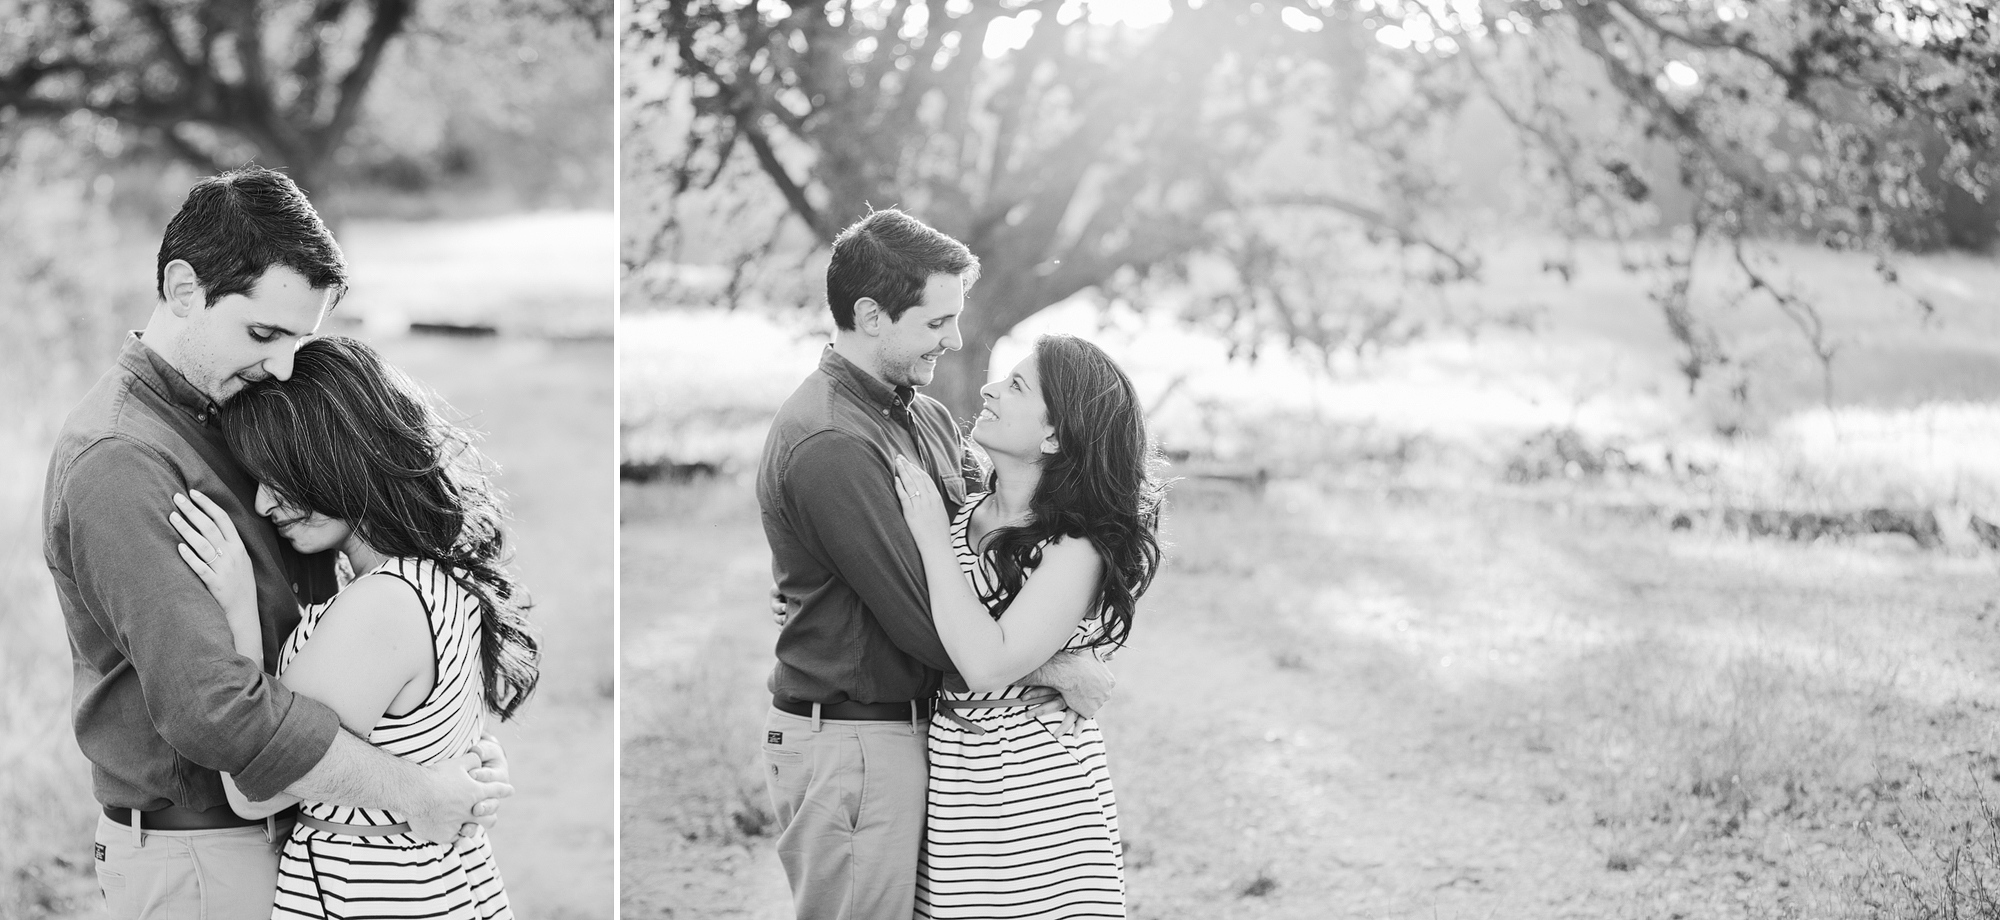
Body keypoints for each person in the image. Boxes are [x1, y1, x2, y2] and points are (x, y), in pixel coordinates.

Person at [42, 166, 509, 920]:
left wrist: (437, 749)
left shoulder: (235, 404)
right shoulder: (122, 459)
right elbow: (214, 710)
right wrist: (416, 790)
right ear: (184, 288)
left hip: (288, 835)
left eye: (302, 340)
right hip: (202, 853)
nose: (284, 364)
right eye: (265, 333)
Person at [756, 208, 1114, 920]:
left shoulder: (920, 419)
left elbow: (974, 552)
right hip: (853, 739)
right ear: (871, 315)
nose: (953, 341)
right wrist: (1049, 666)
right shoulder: (833, 439)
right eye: (934, 322)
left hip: (922, 739)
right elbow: (924, 621)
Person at [170, 335, 539, 918]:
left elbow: (252, 791)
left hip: (370, 892)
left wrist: (239, 607)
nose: (264, 505)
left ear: (335, 461)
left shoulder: (381, 607)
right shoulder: (432, 579)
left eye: (276, 477)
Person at [894, 334, 1164, 919]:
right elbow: (924, 617)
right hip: (949, 780)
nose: (989, 388)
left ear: (1054, 434)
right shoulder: (964, 509)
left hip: (1028, 789)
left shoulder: (1073, 545)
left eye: (1016, 385)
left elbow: (988, 663)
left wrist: (926, 534)